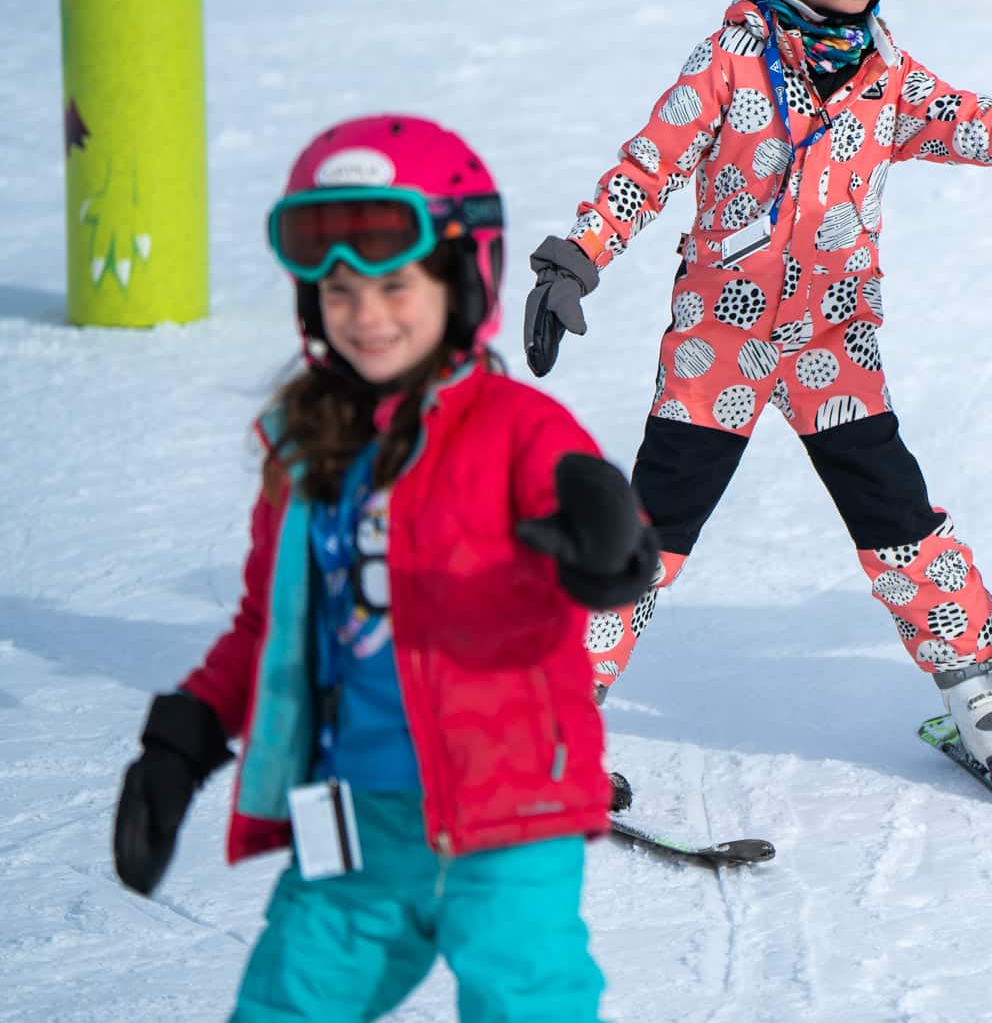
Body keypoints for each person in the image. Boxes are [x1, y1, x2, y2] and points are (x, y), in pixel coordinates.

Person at [523, 0, 992, 795]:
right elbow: (650, 164)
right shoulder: (729, 62)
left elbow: (973, 124)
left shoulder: (884, 73)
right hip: (719, 344)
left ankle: (976, 690)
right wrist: (577, 258)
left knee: (897, 522)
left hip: (837, 346)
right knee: (651, 532)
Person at [112, 115, 660, 1021]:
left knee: (529, 1001)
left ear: (460, 279)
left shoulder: (517, 430)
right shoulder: (306, 450)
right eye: (338, 290)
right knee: (288, 1002)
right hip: (359, 820)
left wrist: (609, 548)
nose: (366, 316)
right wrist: (183, 740)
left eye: (395, 285)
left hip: (508, 814)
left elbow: (601, 539)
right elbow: (270, 629)